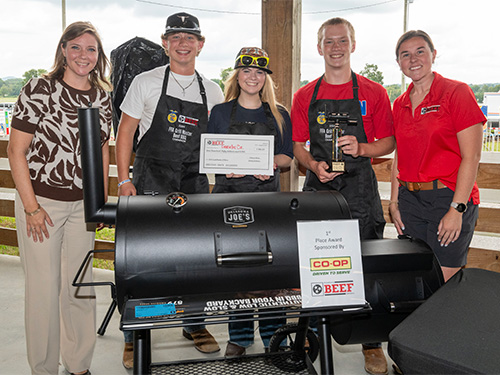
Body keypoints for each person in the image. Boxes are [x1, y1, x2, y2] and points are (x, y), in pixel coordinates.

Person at [115, 12, 224, 368]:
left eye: (189, 37)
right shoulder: (145, 82)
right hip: (150, 179)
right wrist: (124, 179)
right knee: (142, 259)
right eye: (175, 36)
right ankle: (134, 334)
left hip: (194, 182)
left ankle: (195, 325)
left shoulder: (213, 89)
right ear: (165, 43)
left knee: (196, 258)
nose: (182, 43)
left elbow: (218, 143)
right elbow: (125, 133)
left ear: (200, 45)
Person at [291, 18, 395, 375]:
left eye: (342, 41)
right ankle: (308, 332)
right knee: (313, 261)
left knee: (366, 261)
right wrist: (312, 165)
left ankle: (371, 343)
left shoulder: (374, 92)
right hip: (319, 188)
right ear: (319, 48)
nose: (336, 47)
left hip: (360, 190)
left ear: (353, 45)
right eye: (329, 42)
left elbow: (390, 142)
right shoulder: (305, 95)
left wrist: (363, 147)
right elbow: (298, 145)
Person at [7, 21, 112, 375]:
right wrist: (31, 207)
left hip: (84, 206)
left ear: (99, 57)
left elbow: (102, 151)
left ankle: (79, 365)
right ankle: (43, 368)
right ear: (64, 49)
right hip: (43, 206)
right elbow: (15, 151)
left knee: (80, 287)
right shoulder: (39, 88)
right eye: (77, 47)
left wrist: (100, 201)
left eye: (91, 49)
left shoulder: (101, 95)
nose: (84, 55)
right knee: (43, 292)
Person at [207, 47, 293, 356]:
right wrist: (222, 164)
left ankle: (276, 336)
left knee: (271, 269)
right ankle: (239, 337)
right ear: (237, 75)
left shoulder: (279, 113)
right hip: (228, 200)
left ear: (266, 77)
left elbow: (287, 157)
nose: (252, 77)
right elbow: (210, 153)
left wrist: (268, 163)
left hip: (267, 200)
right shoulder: (220, 113)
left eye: (259, 72)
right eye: (246, 71)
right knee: (235, 269)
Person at [389, 30, 486, 283]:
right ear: (398, 63)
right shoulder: (399, 103)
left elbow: (472, 155)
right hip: (411, 200)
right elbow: (400, 155)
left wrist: (457, 209)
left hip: (448, 197)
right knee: (415, 280)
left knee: (442, 283)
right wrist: (394, 202)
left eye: (420, 51)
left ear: (433, 54)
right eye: (405, 55)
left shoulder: (456, 92)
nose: (413, 59)